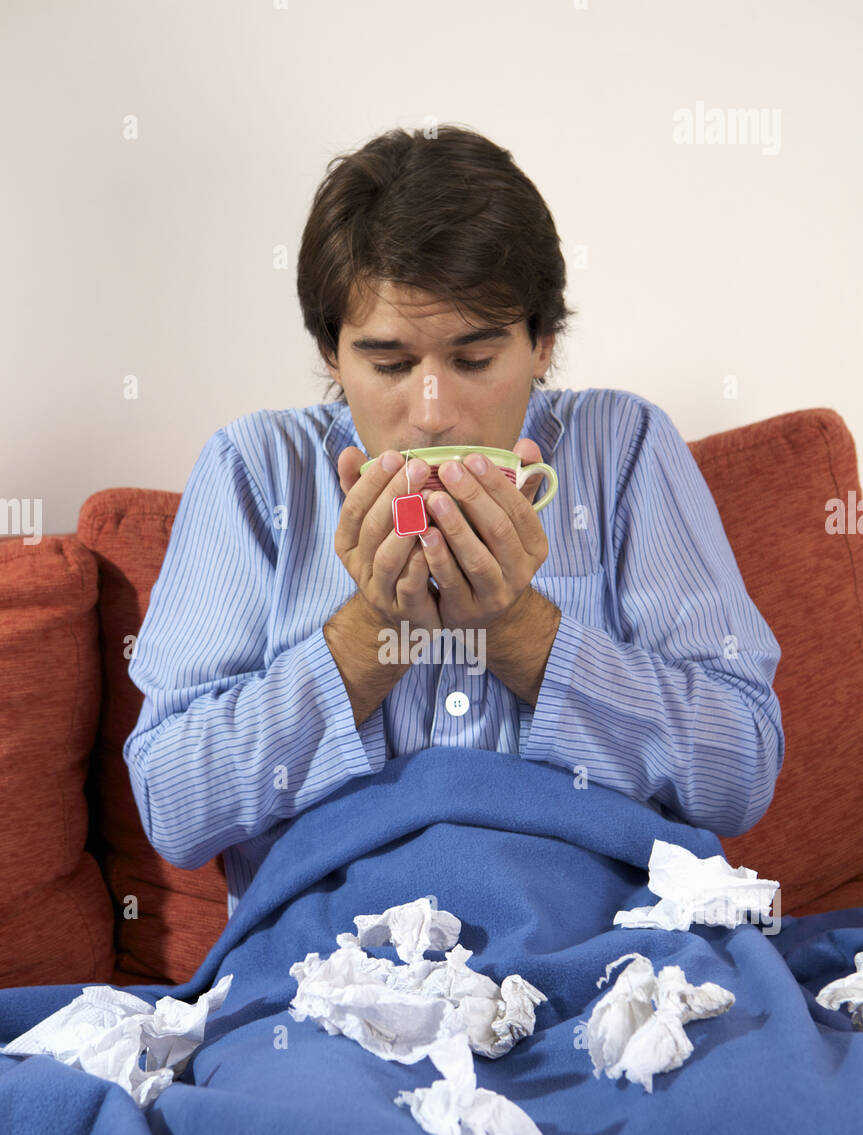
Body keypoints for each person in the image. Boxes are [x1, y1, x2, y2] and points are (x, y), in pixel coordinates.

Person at [123, 124, 785, 920]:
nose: (432, 413)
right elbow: (173, 805)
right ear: (332, 354)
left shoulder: (627, 448)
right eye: (390, 363)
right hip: (334, 962)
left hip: (609, 941)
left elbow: (740, 772)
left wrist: (521, 629)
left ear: (542, 344)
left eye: (473, 360)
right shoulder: (252, 471)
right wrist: (370, 632)